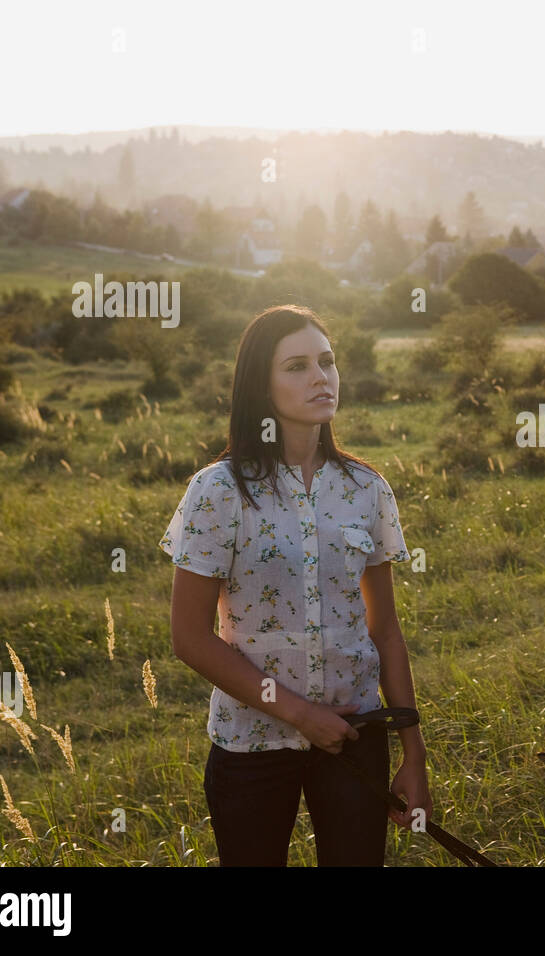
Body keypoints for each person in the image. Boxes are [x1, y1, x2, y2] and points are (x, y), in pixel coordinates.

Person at [160, 304, 432, 866]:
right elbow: (189, 637)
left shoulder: (366, 489)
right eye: (297, 366)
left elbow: (385, 632)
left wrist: (414, 755)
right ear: (261, 385)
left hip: (356, 735)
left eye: (327, 362)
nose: (320, 377)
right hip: (251, 743)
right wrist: (298, 713)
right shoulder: (218, 492)